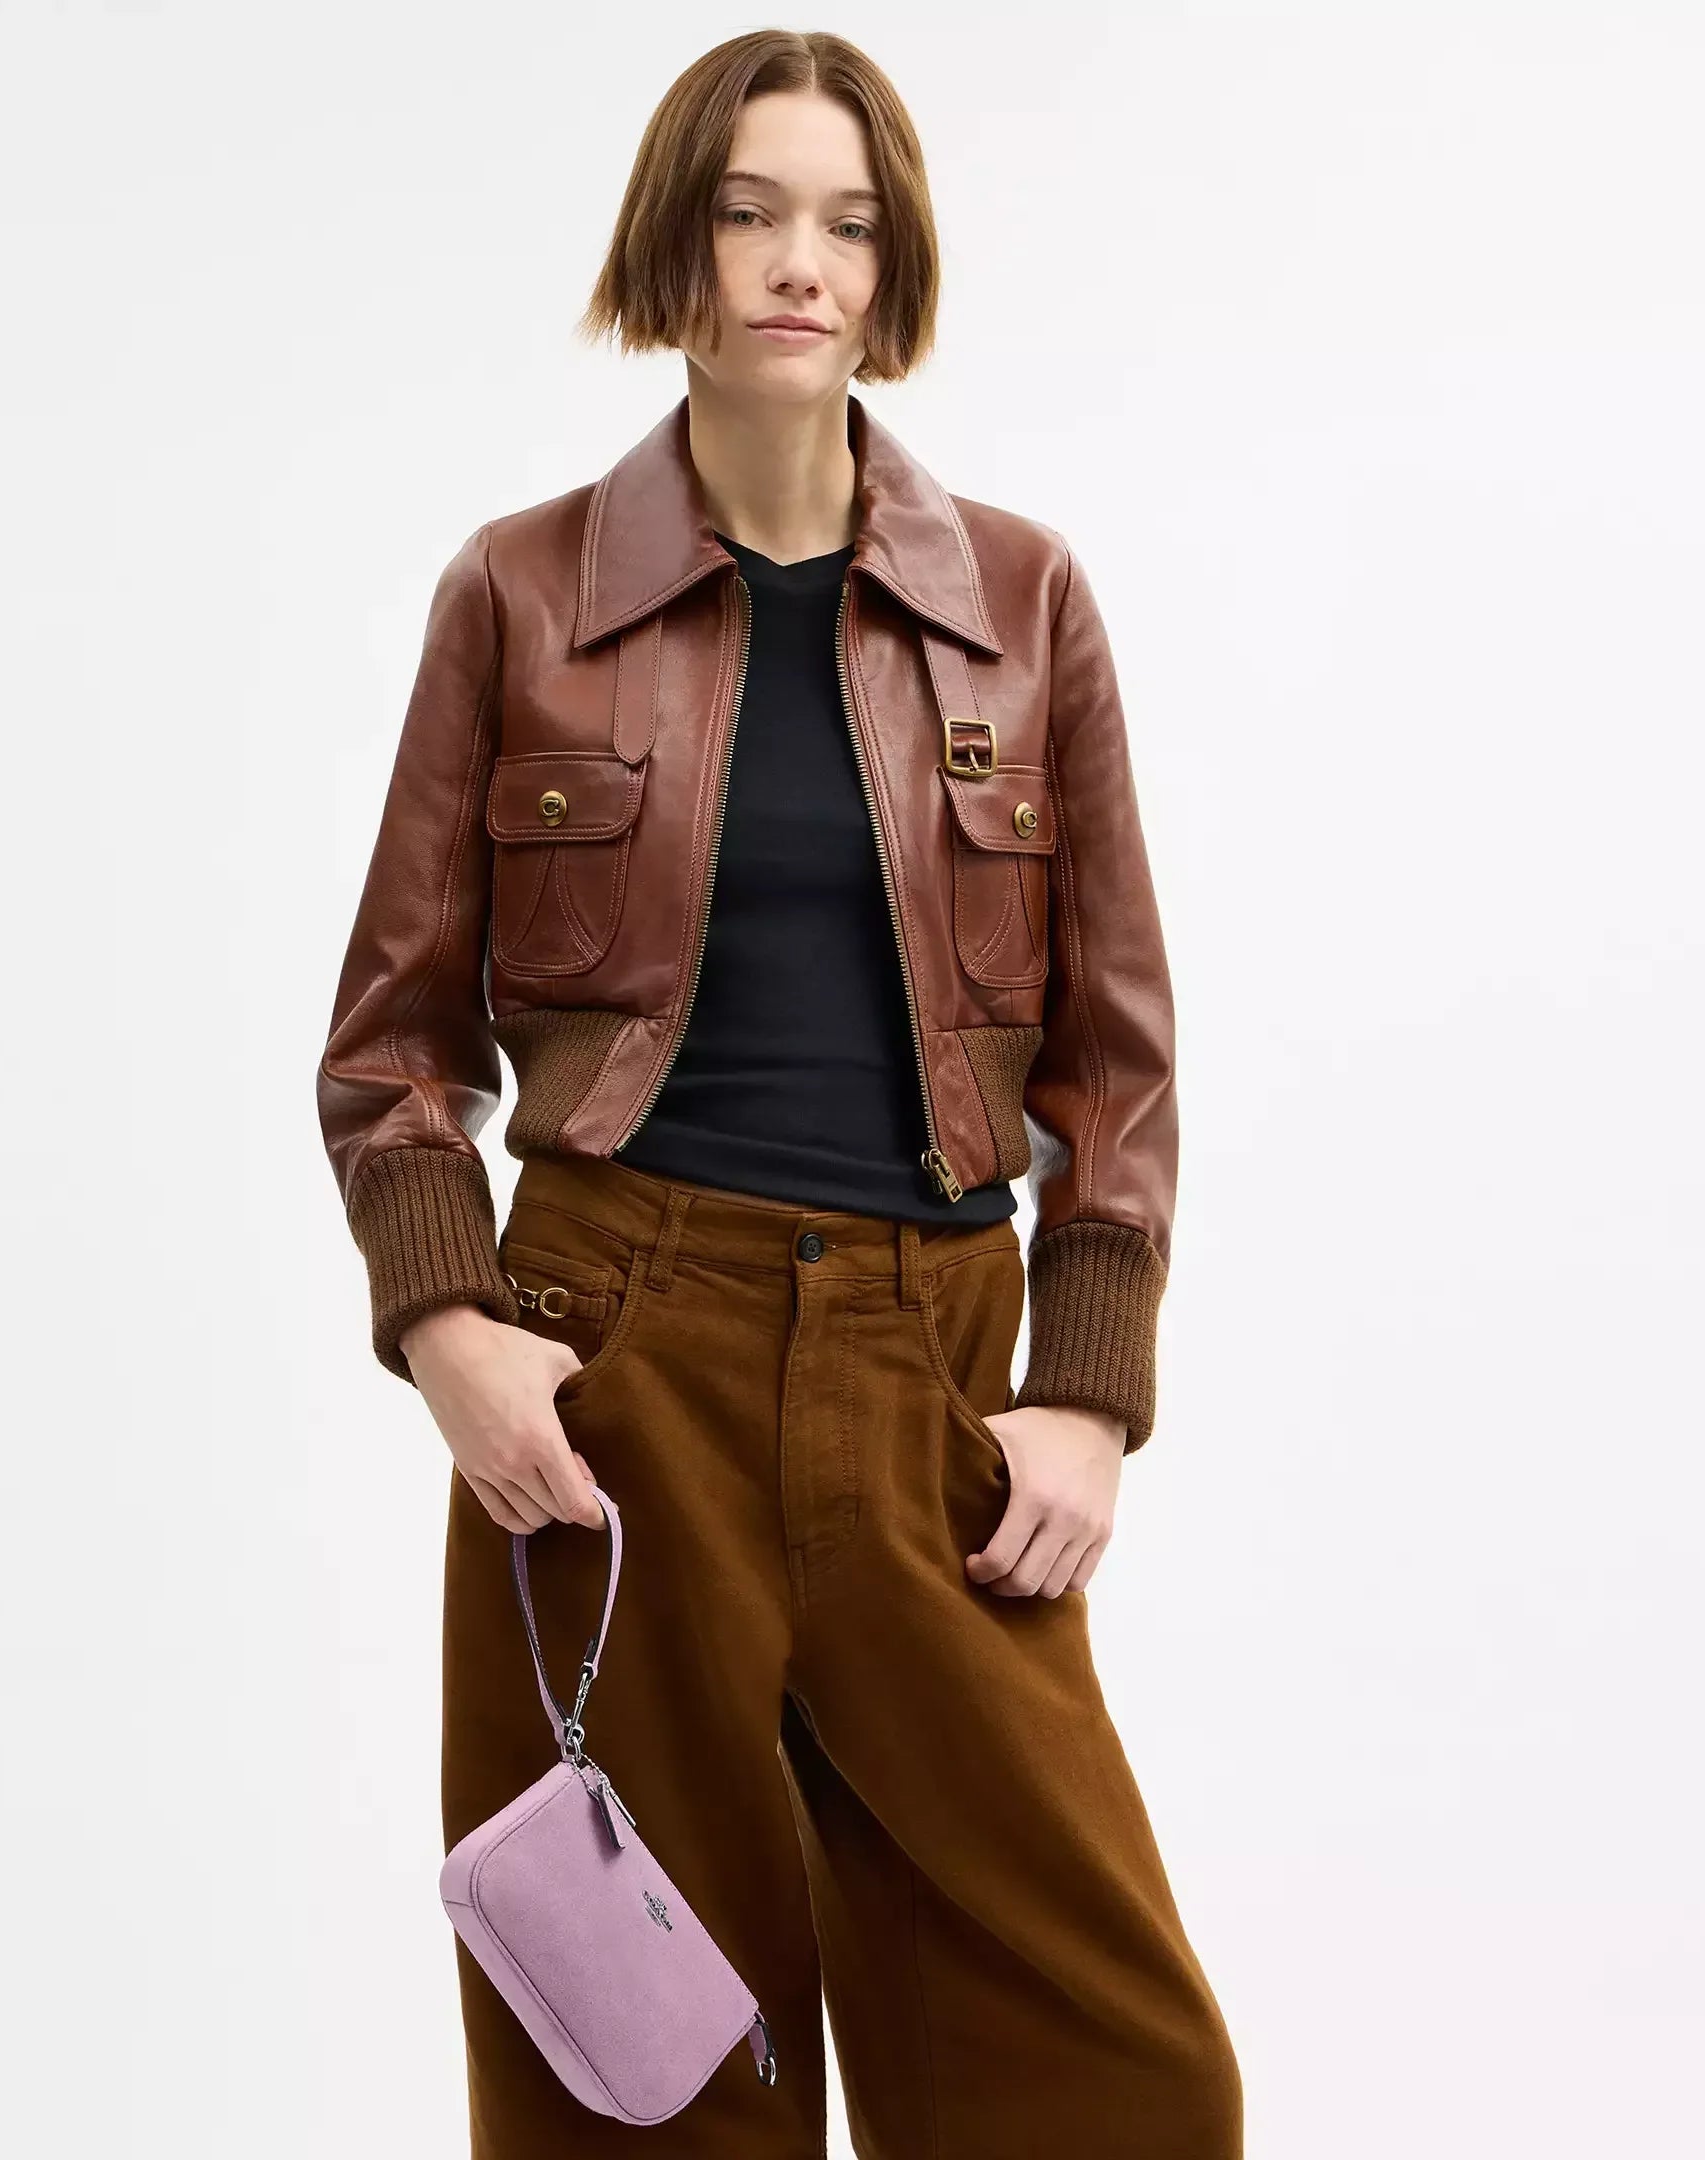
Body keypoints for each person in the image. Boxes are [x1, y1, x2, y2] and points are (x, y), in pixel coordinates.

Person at [317, 28, 1242, 2157]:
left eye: (845, 222)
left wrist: (1088, 1391)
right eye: (749, 213)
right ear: (681, 243)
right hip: (615, 1382)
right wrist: (452, 1332)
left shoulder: (1020, 603)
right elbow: (390, 1040)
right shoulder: (518, 592)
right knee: (641, 2083)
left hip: (936, 1379)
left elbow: (1114, 1049)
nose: (798, 263)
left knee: (1118, 2079)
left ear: (892, 265)